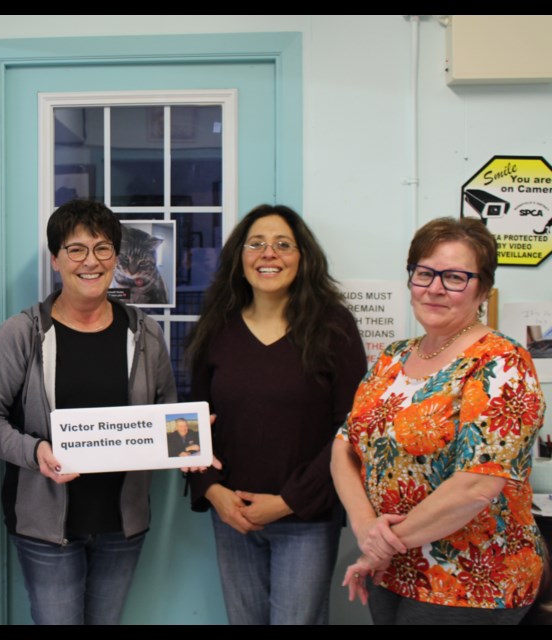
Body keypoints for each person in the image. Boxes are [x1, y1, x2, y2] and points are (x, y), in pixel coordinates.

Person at [0, 199, 176, 625]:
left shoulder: (144, 332)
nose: (90, 261)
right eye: (76, 249)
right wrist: (35, 451)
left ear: (115, 259)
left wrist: (191, 441)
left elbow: (166, 412)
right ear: (56, 260)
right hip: (46, 526)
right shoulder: (23, 331)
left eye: (102, 249)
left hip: (122, 522)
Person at [332, 216, 546, 624]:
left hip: (471, 583)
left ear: (483, 289)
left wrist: (381, 546)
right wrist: (364, 530)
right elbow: (344, 446)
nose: (434, 288)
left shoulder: (500, 361)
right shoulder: (394, 357)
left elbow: (477, 485)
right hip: (393, 572)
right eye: (424, 273)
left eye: (454, 277)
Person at [186, 204, 367, 625]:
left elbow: (352, 427)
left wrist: (288, 501)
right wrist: (212, 490)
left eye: (283, 245)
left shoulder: (334, 327)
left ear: (303, 258)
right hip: (231, 514)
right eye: (257, 244)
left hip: (305, 513)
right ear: (239, 258)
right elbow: (188, 422)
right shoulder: (216, 327)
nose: (269, 254)